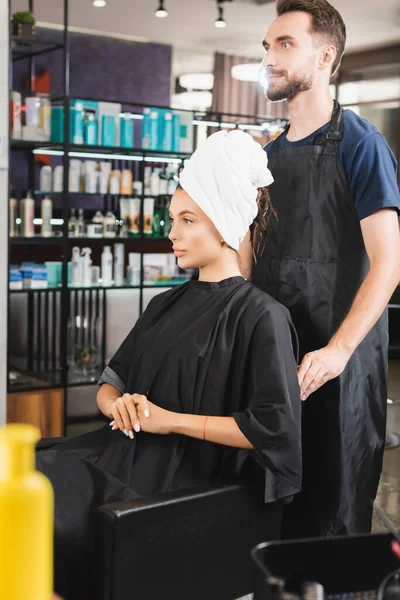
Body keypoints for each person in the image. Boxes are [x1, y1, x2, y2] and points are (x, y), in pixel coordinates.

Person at [36, 130, 302, 600]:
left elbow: (272, 430)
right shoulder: (164, 302)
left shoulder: (261, 317)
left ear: (223, 222)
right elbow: (109, 384)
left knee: (45, 493)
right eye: (171, 218)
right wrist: (118, 406)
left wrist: (168, 421)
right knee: (28, 469)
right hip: (119, 451)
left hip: (177, 479)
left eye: (186, 220)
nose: (171, 232)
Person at [239, 0, 400, 538]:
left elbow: (388, 264)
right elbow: (245, 267)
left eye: (285, 44)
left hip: (339, 367)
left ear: (326, 55)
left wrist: (337, 351)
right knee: (269, 515)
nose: (270, 58)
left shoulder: (361, 145)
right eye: (267, 46)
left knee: (332, 520)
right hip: (273, 363)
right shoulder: (262, 159)